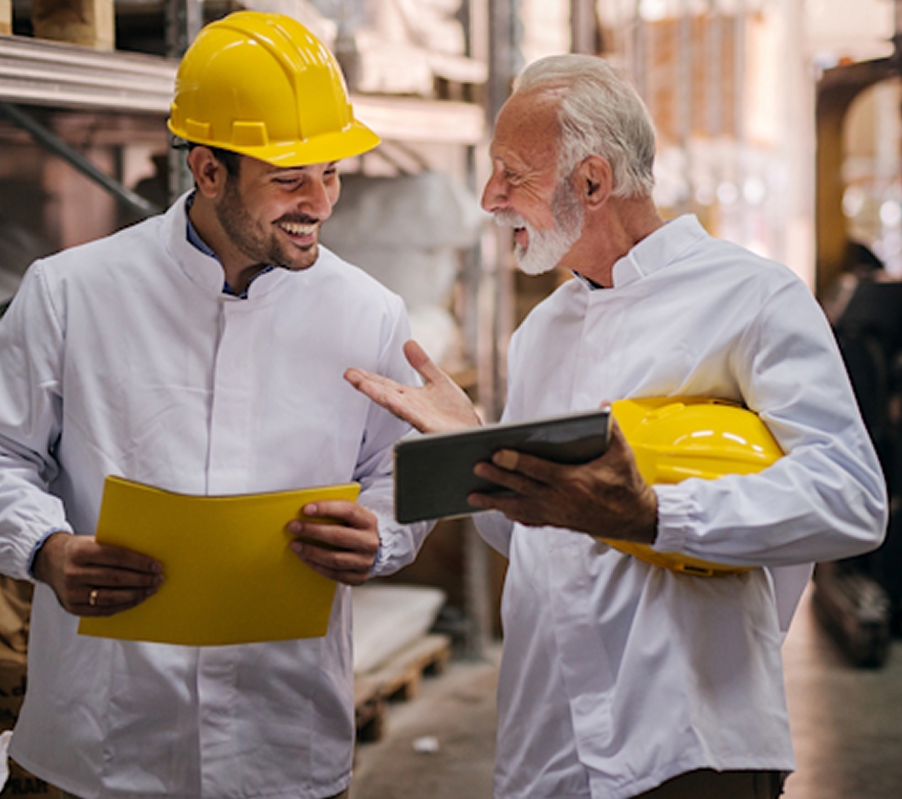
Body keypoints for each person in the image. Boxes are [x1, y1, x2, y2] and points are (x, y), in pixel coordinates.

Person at [345, 53, 889, 799]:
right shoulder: (542, 331)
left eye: (512, 173)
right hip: (549, 749)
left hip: (688, 745)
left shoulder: (750, 298)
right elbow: (531, 538)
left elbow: (850, 498)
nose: (489, 197)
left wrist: (656, 513)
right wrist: (473, 445)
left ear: (593, 182)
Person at [0, 11, 431, 799]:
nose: (321, 202)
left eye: (332, 172)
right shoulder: (74, 293)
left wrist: (383, 533)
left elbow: (396, 470)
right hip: (102, 741)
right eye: (289, 178)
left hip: (285, 739)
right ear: (207, 171)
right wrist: (44, 549)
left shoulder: (368, 313)